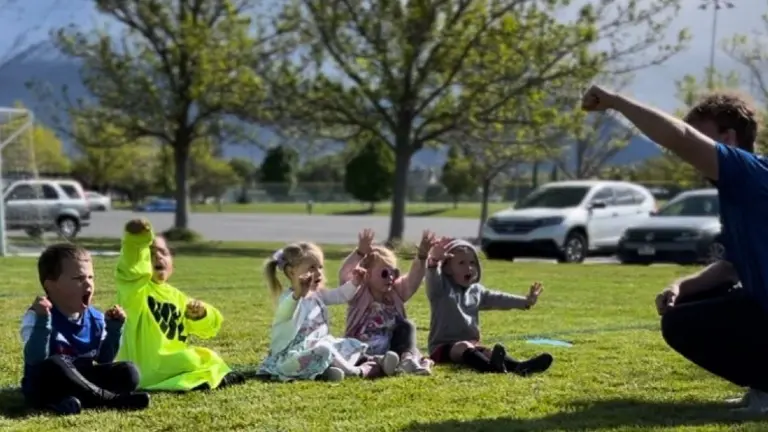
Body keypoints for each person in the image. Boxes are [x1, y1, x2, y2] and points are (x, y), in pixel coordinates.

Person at [581, 87, 768, 411]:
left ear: (730, 137)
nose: (691, 152)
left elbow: (678, 136)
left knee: (682, 324)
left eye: (702, 138)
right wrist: (681, 286)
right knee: (687, 306)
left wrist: (615, 101)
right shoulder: (740, 189)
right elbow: (730, 267)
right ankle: (761, 385)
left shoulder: (747, 173)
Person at [115, 218, 245, 391]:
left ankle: (199, 380)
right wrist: (137, 238)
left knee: (207, 356)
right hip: (146, 366)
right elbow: (131, 265)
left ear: (172, 265)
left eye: (163, 252)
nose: (158, 256)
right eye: (150, 252)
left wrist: (202, 314)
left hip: (173, 361)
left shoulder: (177, 297)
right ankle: (199, 380)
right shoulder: (135, 290)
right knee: (193, 359)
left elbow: (209, 328)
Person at [21, 243, 150, 415]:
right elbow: (35, 359)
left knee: (128, 371)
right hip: (47, 384)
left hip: (83, 380)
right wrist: (44, 321)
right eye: (78, 279)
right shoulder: (38, 316)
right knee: (55, 363)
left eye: (90, 277)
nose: (88, 284)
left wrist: (114, 330)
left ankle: (74, 401)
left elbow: (104, 359)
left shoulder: (95, 318)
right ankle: (109, 400)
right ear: (51, 285)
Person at [258, 242, 386, 381]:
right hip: (292, 358)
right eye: (312, 268)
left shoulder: (317, 294)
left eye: (320, 267)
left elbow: (340, 295)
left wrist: (355, 282)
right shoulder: (289, 299)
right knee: (325, 350)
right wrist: (298, 295)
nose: (318, 273)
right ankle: (357, 371)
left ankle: (364, 363)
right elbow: (286, 312)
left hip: (319, 346)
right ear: (291, 271)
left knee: (347, 343)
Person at [425, 238, 553, 375]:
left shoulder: (477, 291)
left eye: (472, 263)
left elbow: (500, 299)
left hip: (472, 345)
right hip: (442, 348)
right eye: (461, 263)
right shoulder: (440, 288)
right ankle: (490, 368)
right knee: (463, 346)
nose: (469, 268)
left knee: (488, 351)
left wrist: (526, 301)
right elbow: (432, 275)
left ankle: (519, 366)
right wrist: (434, 261)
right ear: (448, 268)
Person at [338, 229, 436, 376]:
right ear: (367, 274)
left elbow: (413, 280)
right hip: (364, 345)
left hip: (392, 346)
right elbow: (345, 275)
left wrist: (422, 256)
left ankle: (406, 361)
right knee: (358, 356)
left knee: (407, 325)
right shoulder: (359, 292)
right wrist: (359, 253)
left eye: (394, 273)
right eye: (384, 273)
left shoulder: (395, 293)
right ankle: (380, 365)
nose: (390, 277)